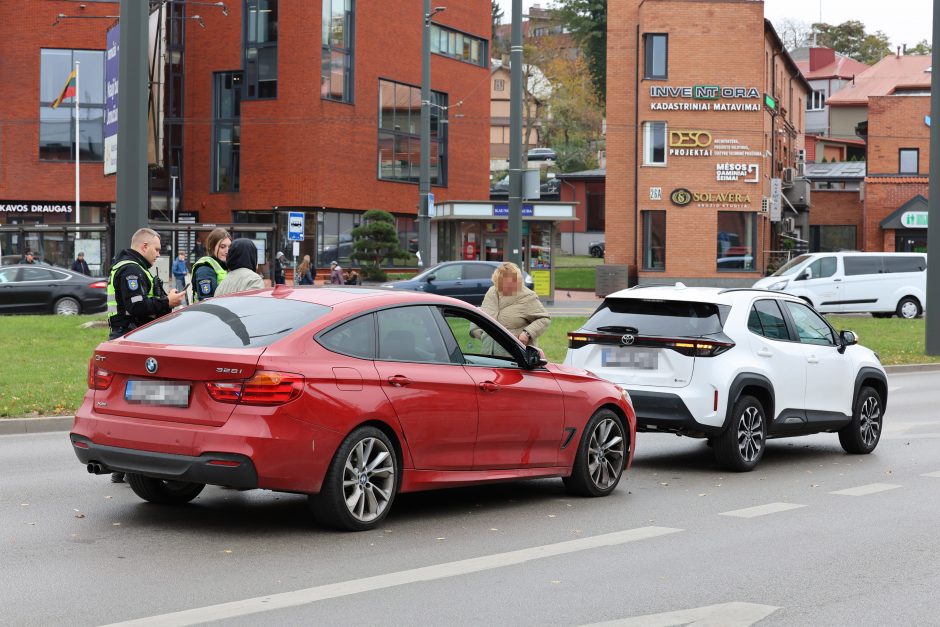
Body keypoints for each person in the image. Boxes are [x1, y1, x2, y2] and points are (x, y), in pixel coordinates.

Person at [106, 228, 184, 483]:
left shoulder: (131, 267)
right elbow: (137, 306)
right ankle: (125, 466)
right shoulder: (132, 270)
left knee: (130, 402)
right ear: (144, 245)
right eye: (157, 250)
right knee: (137, 403)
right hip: (131, 338)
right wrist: (167, 304)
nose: (158, 255)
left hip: (127, 337)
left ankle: (123, 466)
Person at [470, 262, 550, 355]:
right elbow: (481, 311)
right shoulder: (491, 292)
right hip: (487, 356)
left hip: (515, 357)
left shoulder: (527, 296)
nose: (507, 286)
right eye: (502, 283)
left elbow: (544, 319)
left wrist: (527, 333)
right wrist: (476, 331)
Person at [190, 227, 231, 302]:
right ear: (212, 247)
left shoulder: (224, 266)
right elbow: (208, 302)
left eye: (229, 247)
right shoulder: (205, 269)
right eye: (222, 247)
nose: (227, 251)